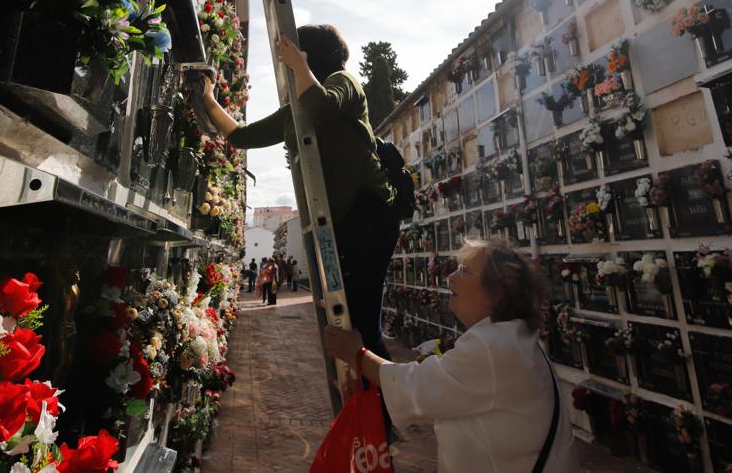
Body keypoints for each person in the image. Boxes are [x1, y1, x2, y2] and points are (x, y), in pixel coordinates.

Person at [200, 26, 398, 357]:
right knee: (346, 322)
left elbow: (322, 107)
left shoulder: (342, 81)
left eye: (291, 54)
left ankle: (385, 403)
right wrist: (207, 99)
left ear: (310, 55)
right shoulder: (298, 106)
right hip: (341, 216)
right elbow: (242, 136)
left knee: (360, 325)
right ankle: (366, 402)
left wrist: (298, 64)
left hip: (368, 209)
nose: (284, 62)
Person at [324, 239, 579, 473]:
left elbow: (414, 386)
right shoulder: (512, 340)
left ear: (497, 292)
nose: (450, 277)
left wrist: (356, 354)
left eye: (464, 271)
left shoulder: (492, 348)